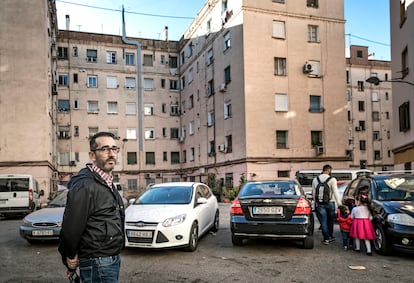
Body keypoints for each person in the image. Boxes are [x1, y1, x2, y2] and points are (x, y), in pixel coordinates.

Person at [58, 132, 125, 282]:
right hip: (98, 261)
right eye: (105, 149)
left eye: (114, 149)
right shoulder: (85, 184)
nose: (111, 154)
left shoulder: (104, 181)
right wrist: (69, 256)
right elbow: (71, 227)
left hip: (108, 259)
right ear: (92, 155)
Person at [312, 164, 341, 245]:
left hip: (320, 203)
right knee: (330, 220)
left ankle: (326, 239)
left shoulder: (315, 179)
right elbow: (335, 192)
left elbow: (313, 193)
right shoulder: (332, 179)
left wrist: (316, 202)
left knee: (323, 221)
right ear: (328, 170)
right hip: (330, 202)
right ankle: (331, 236)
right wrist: (339, 203)